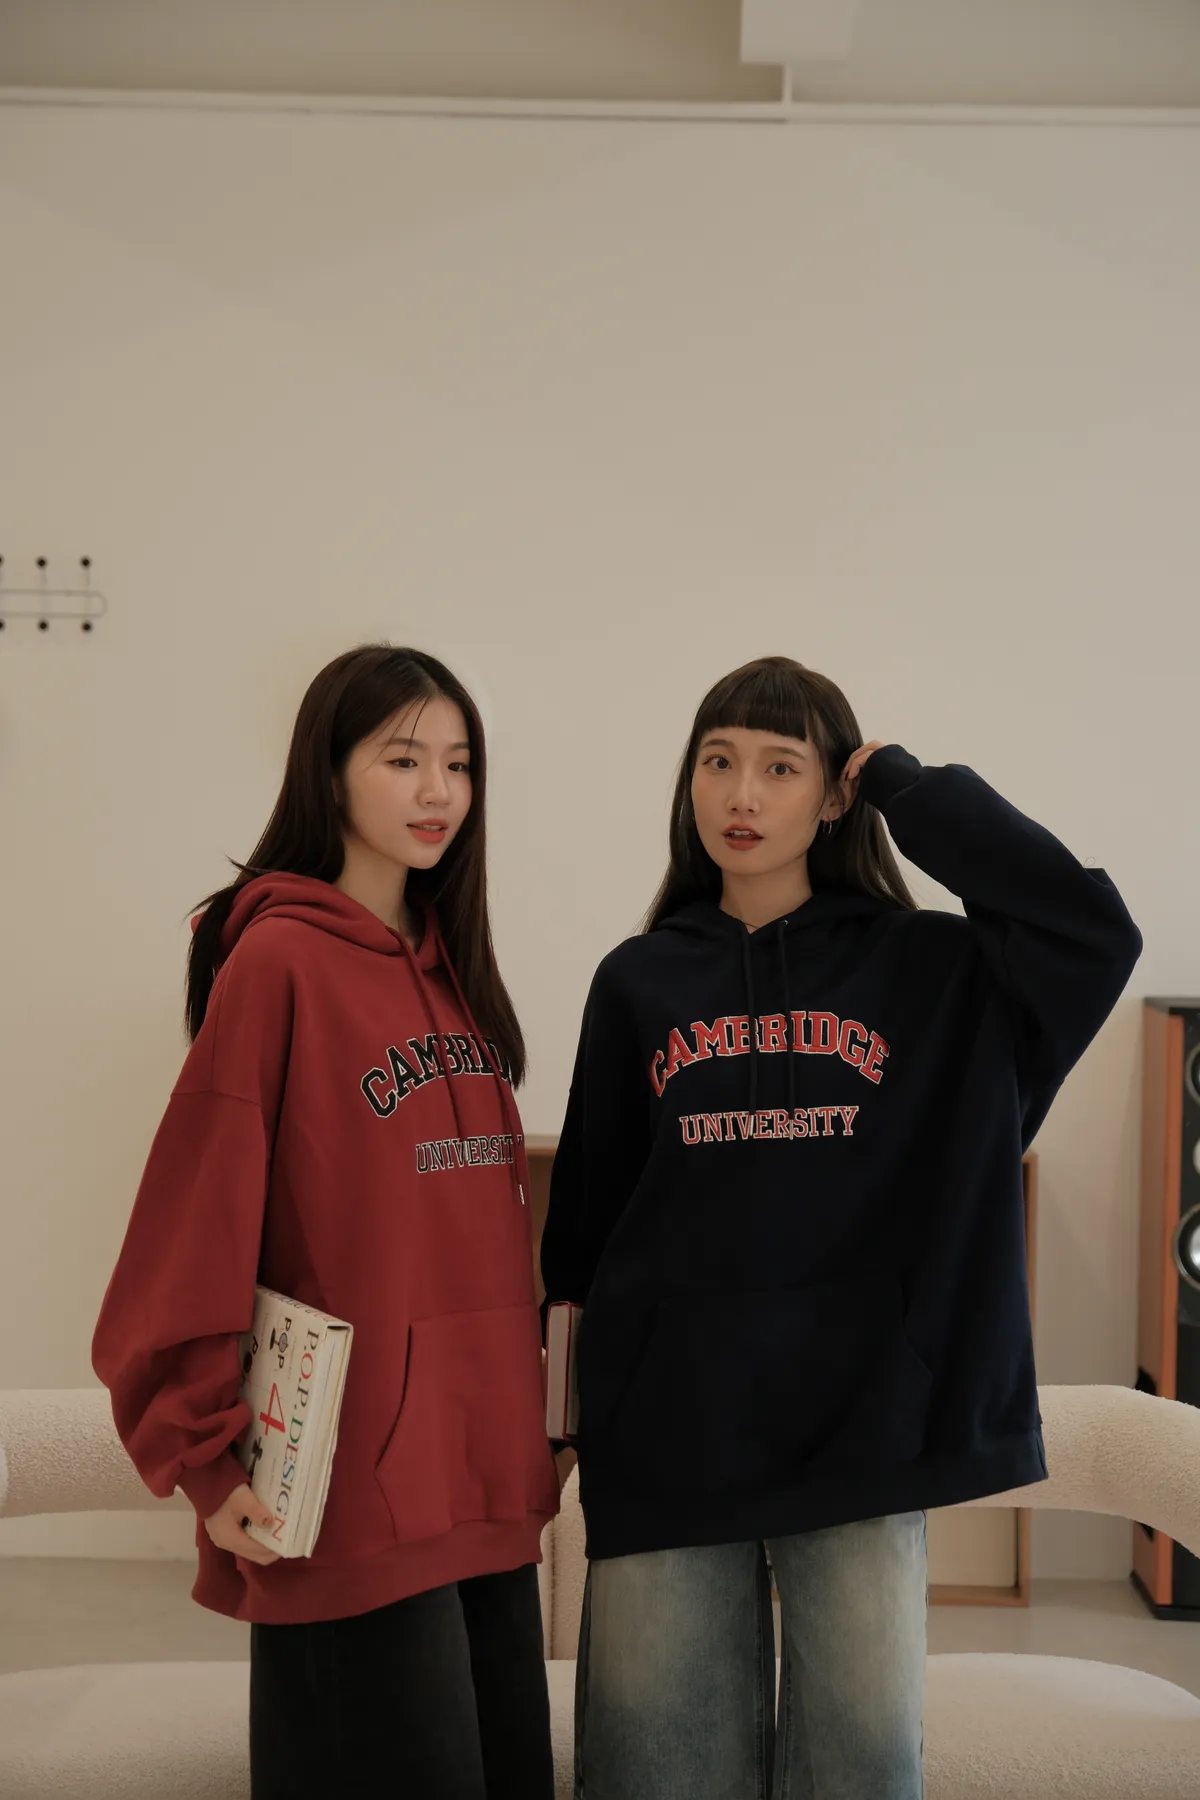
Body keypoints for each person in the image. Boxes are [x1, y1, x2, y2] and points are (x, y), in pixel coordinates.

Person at [540, 653, 1142, 1800]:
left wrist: (907, 786)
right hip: (668, 1438)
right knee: (655, 1775)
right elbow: (583, 1229)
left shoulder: (931, 972)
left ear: (833, 796)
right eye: (718, 762)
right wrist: (558, 1429)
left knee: (859, 1775)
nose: (741, 795)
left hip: (865, 1437)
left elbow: (1089, 932)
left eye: (781, 767)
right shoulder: (640, 982)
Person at [92, 644, 562, 1800]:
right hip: (349, 1501)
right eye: (403, 759)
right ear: (330, 771)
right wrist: (205, 1458)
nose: (438, 790)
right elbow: (192, 1225)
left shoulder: (456, 972)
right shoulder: (278, 963)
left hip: (481, 1492)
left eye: (459, 763)